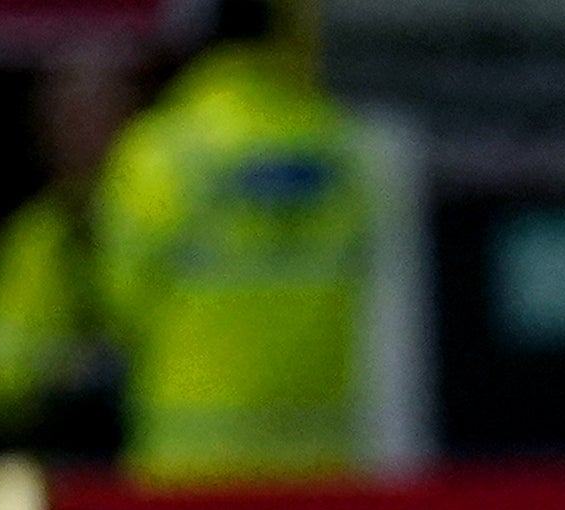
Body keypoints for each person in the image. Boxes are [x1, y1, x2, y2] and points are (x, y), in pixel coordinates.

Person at [94, 0, 370, 483]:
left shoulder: (162, 152)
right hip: (329, 457)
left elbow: (121, 302)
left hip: (194, 461)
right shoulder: (347, 147)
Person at [0, 48, 138, 460]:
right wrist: (65, 372)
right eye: (65, 118)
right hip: (63, 455)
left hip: (157, 459)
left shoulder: (167, 212)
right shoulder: (35, 236)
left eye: (94, 116)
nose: (80, 134)